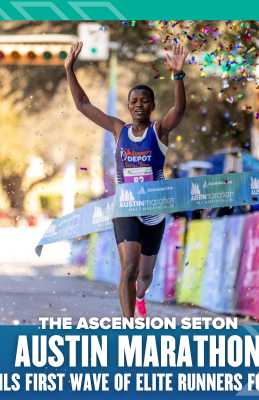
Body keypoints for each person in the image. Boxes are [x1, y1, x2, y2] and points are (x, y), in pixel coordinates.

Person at [65, 42, 188, 320]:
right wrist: (69, 69)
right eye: (134, 101)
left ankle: (141, 296)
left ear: (153, 105)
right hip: (126, 208)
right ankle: (129, 325)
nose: (139, 105)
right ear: (128, 106)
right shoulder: (118, 130)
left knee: (144, 276)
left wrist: (178, 76)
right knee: (129, 268)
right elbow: (83, 105)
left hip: (154, 212)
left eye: (144, 101)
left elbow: (178, 111)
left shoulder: (159, 131)